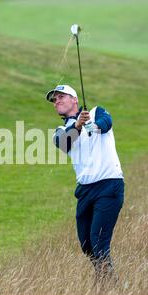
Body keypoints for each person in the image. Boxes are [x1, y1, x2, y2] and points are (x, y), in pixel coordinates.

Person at [45, 84, 125, 284]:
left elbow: (106, 123)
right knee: (87, 244)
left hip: (109, 184)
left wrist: (91, 124)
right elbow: (64, 143)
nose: (57, 101)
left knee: (98, 242)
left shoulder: (97, 112)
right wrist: (78, 126)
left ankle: (108, 285)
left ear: (74, 99)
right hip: (85, 191)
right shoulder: (61, 130)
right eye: (55, 100)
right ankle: (106, 278)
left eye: (61, 97)